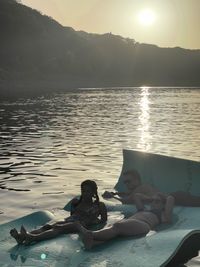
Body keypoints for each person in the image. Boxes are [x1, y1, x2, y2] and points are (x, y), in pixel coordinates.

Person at [10, 179, 107, 245]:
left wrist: (94, 222)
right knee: (47, 226)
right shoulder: (76, 202)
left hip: (79, 225)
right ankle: (21, 237)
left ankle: (33, 237)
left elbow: (104, 222)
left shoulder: (99, 205)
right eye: (83, 191)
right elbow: (72, 216)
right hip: (70, 221)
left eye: (88, 191)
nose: (85, 194)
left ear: (94, 192)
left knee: (57, 229)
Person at [78, 193, 175, 249]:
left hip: (144, 224)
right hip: (132, 223)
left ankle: (91, 234)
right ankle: (93, 243)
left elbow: (170, 198)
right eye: (152, 201)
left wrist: (159, 197)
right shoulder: (143, 209)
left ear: (163, 205)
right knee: (116, 233)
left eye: (157, 201)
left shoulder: (163, 215)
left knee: (117, 226)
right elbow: (136, 196)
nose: (153, 202)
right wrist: (150, 198)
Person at [102, 169, 200, 206]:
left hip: (178, 198)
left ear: (137, 180)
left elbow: (126, 201)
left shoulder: (139, 189)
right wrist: (116, 193)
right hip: (177, 196)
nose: (126, 184)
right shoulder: (143, 187)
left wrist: (112, 197)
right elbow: (128, 194)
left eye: (128, 181)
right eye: (124, 182)